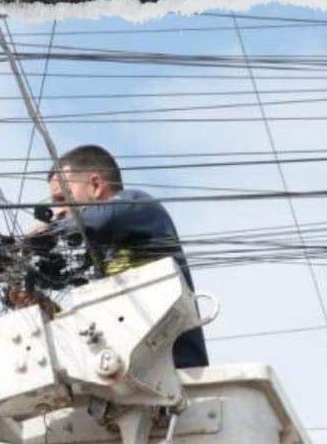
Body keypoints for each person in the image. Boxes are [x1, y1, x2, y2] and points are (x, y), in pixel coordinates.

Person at [24, 144, 209, 369]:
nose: (58, 211)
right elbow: (91, 330)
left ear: (95, 185)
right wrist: (41, 305)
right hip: (134, 378)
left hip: (180, 372)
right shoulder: (100, 257)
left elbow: (100, 220)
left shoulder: (137, 204)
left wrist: (50, 231)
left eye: (62, 198)